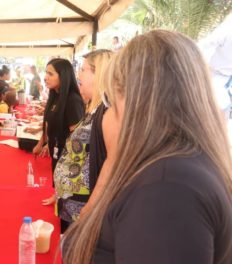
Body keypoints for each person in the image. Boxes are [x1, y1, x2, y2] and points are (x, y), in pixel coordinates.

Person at [62, 30, 232, 264]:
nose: (107, 115)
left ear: (136, 104)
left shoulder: (167, 188)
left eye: (110, 102)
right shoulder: (172, 170)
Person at [52, 49, 112, 233]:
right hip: (73, 207)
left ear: (99, 73)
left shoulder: (108, 112)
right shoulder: (94, 109)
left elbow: (113, 163)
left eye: (84, 69)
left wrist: (91, 206)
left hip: (85, 211)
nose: (78, 74)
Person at [33, 59, 84, 205]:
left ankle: (61, 197)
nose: (45, 77)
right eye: (46, 73)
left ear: (63, 75)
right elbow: (49, 124)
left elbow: (77, 140)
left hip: (67, 158)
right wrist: (43, 143)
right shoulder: (55, 96)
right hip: (57, 153)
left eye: (50, 73)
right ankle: (58, 195)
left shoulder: (72, 100)